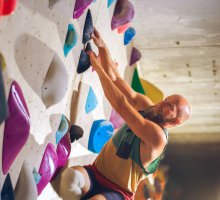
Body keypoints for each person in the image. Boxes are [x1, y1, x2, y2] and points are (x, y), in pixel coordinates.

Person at [57, 29, 192, 200]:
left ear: (175, 121)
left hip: (118, 192)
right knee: (70, 177)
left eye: (170, 106)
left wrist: (96, 67)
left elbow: (120, 104)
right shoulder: (148, 107)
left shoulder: (158, 137)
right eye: (166, 99)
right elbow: (116, 80)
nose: (163, 102)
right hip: (95, 173)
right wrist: (103, 48)